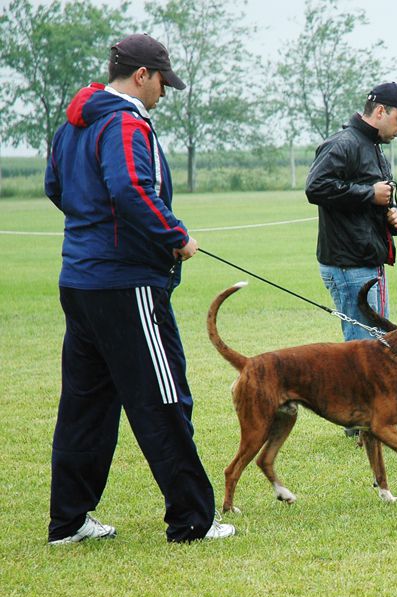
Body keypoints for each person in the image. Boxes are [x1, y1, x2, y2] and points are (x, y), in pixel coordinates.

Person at [45, 33, 235, 544]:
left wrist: (96, 233)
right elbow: (130, 188)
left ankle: (68, 521)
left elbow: (56, 188)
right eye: (162, 83)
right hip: (126, 285)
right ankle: (193, 520)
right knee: (164, 397)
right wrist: (175, 237)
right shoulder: (125, 123)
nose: (164, 94)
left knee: (86, 405)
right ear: (142, 76)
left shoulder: (71, 126)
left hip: (80, 281)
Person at [305, 82, 397, 439]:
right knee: (363, 349)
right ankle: (368, 425)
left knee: (375, 343)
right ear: (381, 111)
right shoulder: (343, 144)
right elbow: (316, 188)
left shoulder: (372, 147)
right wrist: (368, 194)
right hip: (347, 263)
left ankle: (369, 421)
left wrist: (394, 216)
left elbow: (377, 200)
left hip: (367, 261)